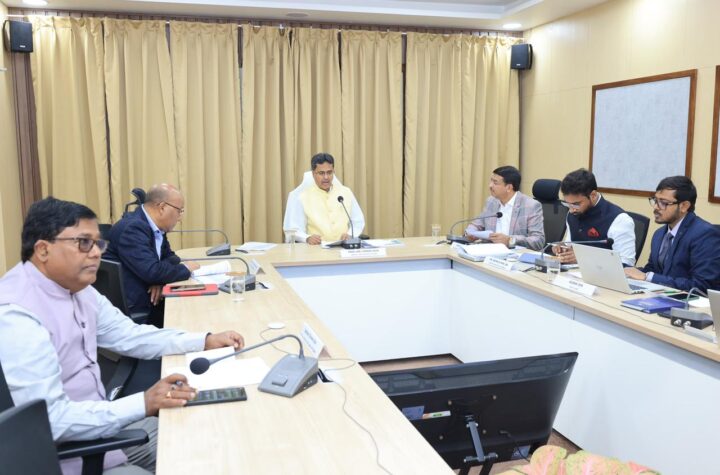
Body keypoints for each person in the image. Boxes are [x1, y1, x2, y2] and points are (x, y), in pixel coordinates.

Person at [0, 197, 244, 475]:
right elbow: (51, 420)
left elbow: (130, 336)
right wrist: (144, 402)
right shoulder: (16, 314)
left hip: (98, 429)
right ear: (43, 249)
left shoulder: (78, 289)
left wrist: (204, 340)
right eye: (84, 243)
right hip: (66, 460)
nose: (96, 253)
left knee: (209, 435)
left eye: (97, 244)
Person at [104, 184, 199, 325]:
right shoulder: (133, 228)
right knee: (191, 314)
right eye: (179, 211)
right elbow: (152, 271)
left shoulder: (154, 227)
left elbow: (171, 257)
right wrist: (186, 268)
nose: (180, 218)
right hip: (134, 309)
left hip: (150, 298)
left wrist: (158, 279)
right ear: (162, 207)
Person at [624, 176, 720, 292]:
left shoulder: (705, 235)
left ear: (684, 206)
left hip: (689, 301)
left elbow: (701, 286)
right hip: (660, 295)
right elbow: (653, 270)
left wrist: (648, 277)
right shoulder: (659, 234)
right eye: (655, 200)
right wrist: (628, 272)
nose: (656, 207)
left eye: (663, 203)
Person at [552, 169, 636, 266]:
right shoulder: (572, 213)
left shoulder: (620, 220)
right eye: (568, 204)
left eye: (576, 204)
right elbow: (570, 245)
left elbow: (626, 264)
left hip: (603, 275)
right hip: (573, 272)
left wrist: (584, 258)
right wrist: (563, 249)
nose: (571, 210)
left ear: (593, 195)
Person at [285, 153, 365, 245]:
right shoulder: (302, 197)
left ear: (333, 172)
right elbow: (294, 229)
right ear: (313, 174)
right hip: (316, 248)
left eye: (329, 172)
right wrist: (307, 238)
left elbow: (358, 221)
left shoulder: (346, 192)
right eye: (321, 173)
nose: (326, 177)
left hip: (343, 247)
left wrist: (350, 234)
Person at [464, 165, 545, 250]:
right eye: (491, 181)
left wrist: (510, 240)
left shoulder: (530, 206)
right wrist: (470, 233)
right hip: (490, 252)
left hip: (515, 254)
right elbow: (477, 224)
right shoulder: (491, 201)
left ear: (509, 187)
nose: (490, 186)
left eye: (495, 183)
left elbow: (538, 240)